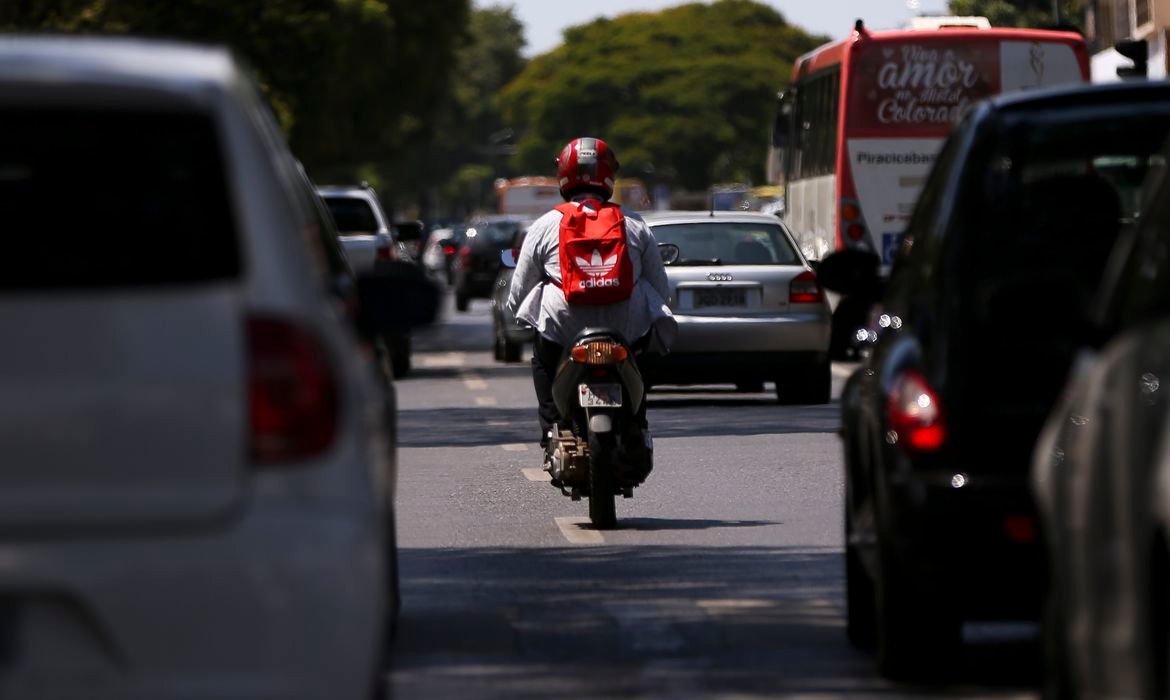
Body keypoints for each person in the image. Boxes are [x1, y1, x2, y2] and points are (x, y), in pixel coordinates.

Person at [506, 137, 677, 453]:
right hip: (627, 330)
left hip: (563, 330)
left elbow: (519, 292)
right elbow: (661, 290)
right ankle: (638, 423)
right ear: (609, 175)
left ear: (564, 175)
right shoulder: (635, 224)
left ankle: (552, 428)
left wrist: (521, 313)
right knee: (647, 352)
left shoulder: (544, 225)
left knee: (541, 361)